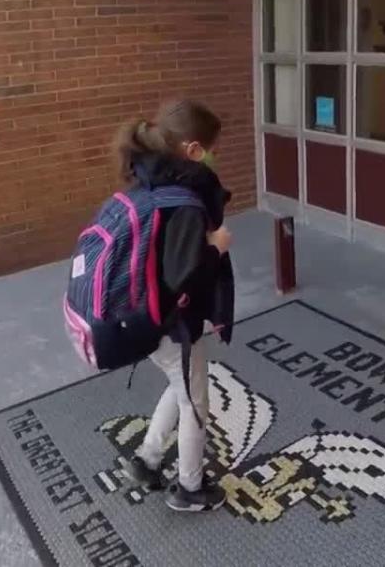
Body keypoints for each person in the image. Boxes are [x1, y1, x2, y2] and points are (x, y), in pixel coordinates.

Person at [113, 99, 234, 512]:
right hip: (172, 326)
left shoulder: (147, 181)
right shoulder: (184, 199)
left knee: (178, 385)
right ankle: (190, 489)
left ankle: (147, 460)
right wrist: (216, 249)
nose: (216, 157)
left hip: (140, 316)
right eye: (213, 149)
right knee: (195, 403)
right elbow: (184, 277)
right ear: (194, 150)